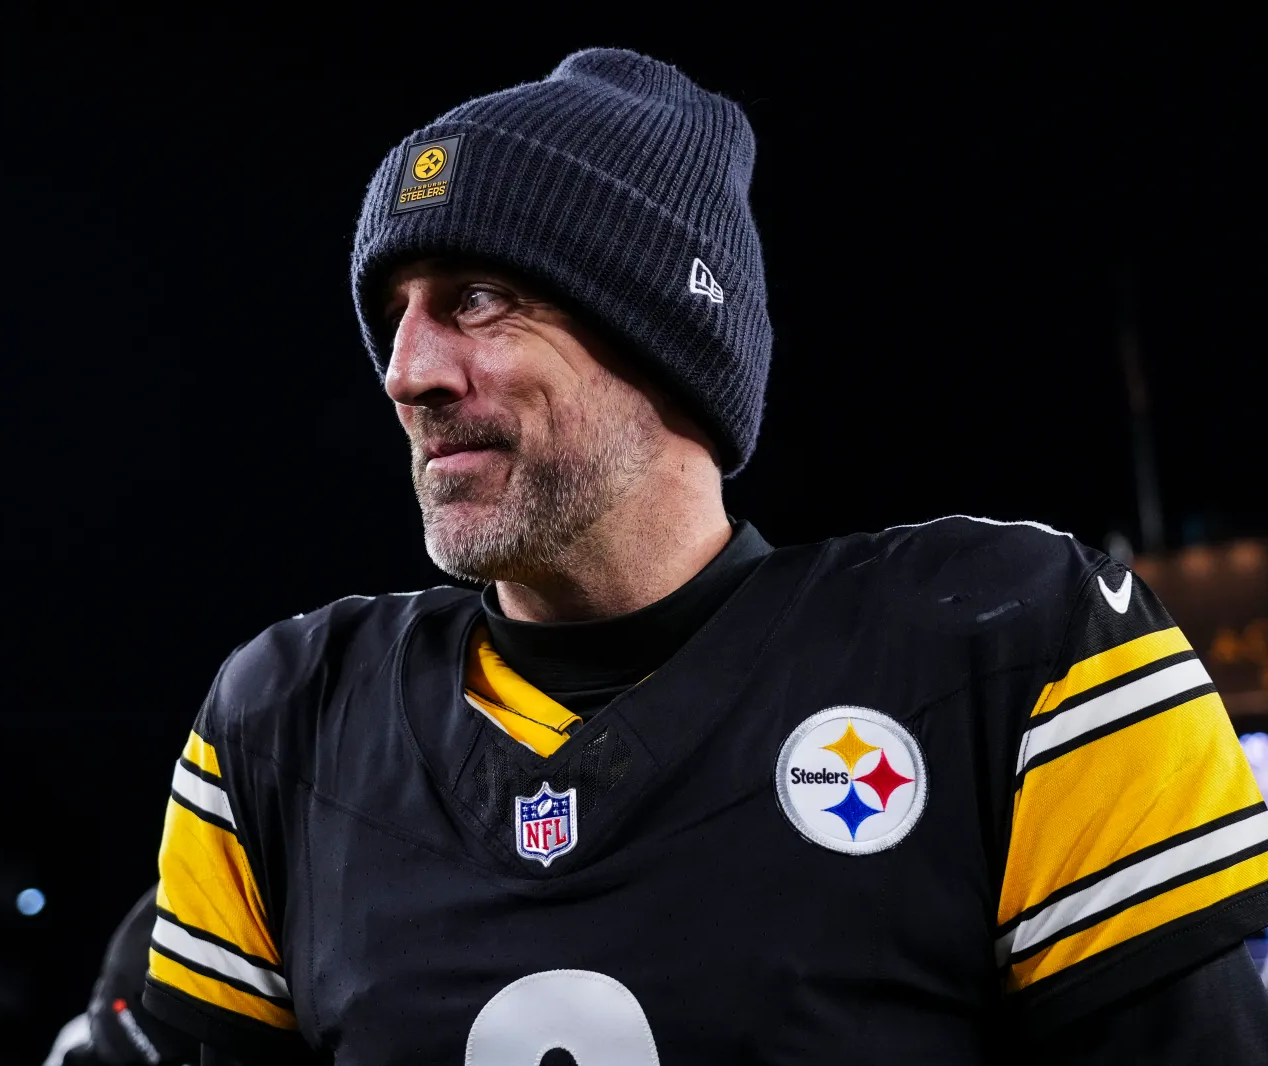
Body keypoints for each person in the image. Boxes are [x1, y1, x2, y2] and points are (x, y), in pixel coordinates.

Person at [118, 48, 1268, 1063]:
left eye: (476, 299)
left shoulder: (1014, 649)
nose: (407, 370)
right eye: (396, 312)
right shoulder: (287, 721)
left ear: (663, 333)